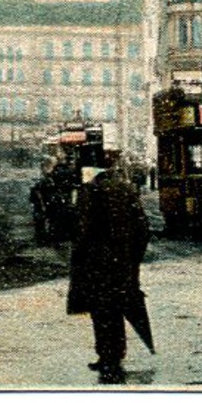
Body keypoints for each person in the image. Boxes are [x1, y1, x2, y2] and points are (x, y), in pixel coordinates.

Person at [66, 162, 150, 384]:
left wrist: (81, 259)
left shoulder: (91, 192)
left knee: (101, 312)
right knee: (118, 308)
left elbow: (82, 231)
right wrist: (133, 260)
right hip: (122, 265)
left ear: (91, 171)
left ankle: (107, 357)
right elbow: (143, 228)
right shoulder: (126, 189)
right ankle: (116, 354)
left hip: (97, 266)